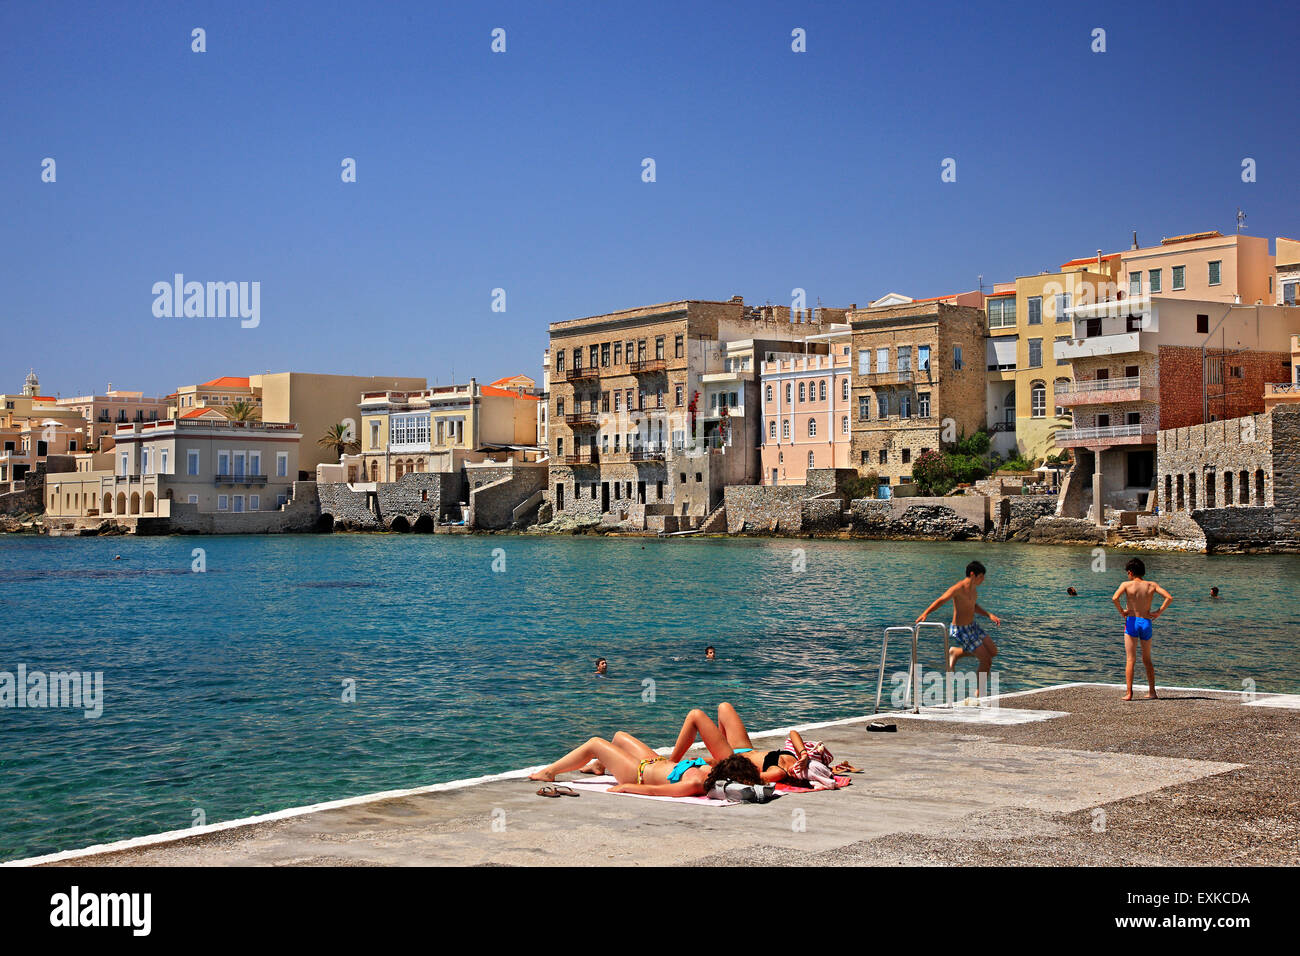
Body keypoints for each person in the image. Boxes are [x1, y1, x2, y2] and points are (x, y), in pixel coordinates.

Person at [529, 732, 759, 798]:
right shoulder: (711, 770)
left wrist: (625, 787)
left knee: (596, 743)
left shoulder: (697, 783)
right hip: (654, 761)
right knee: (619, 737)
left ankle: (549, 773)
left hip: (637, 774)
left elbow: (655, 790)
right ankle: (598, 767)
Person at [916, 560, 1002, 696]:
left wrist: (989, 615)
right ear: (973, 574)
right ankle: (979, 693)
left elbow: (973, 606)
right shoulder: (958, 588)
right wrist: (926, 613)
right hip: (961, 630)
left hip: (972, 626)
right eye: (981, 577)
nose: (983, 580)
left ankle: (956, 652)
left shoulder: (973, 590)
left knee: (993, 651)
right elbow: (941, 600)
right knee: (986, 659)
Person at [667, 703, 810, 784]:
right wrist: (804, 754)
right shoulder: (799, 760)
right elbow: (793, 733)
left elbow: (747, 778)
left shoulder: (779, 772)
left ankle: (670, 763)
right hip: (744, 748)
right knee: (724, 707)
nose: (796, 770)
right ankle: (719, 748)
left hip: (733, 760)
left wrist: (718, 765)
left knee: (695, 715)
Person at [1112, 557, 1172, 701]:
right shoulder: (1151, 585)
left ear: (1131, 572)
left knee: (1130, 659)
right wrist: (1158, 612)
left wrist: (1122, 611)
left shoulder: (1126, 584)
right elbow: (1169, 597)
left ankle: (1129, 693)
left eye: (1127, 573)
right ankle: (1152, 691)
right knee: (1147, 659)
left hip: (1132, 621)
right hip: (1146, 621)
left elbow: (1115, 598)